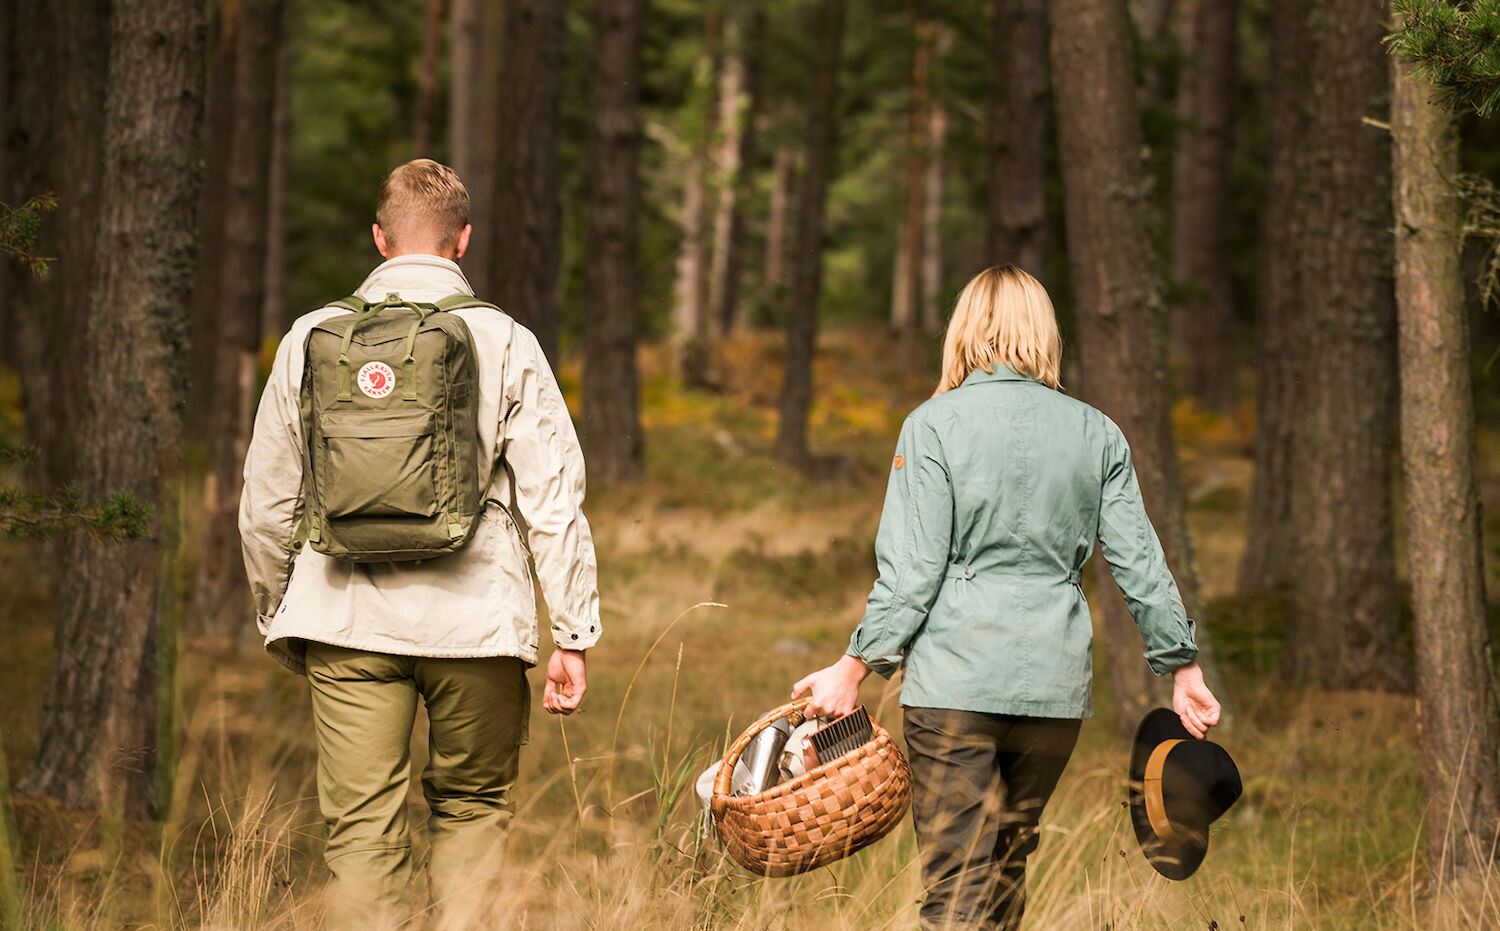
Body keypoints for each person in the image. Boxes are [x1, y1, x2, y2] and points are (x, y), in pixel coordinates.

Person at [792, 265, 1221, 931]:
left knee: (955, 888)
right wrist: (1181, 665)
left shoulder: (932, 426)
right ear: (1044, 334)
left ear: (965, 330)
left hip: (953, 689)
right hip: (1052, 693)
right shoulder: (1097, 432)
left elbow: (912, 571)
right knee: (1006, 870)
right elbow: (1139, 562)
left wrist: (854, 668)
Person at [239, 159, 600, 928]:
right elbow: (554, 499)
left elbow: (265, 503)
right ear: (462, 241)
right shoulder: (506, 339)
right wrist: (571, 631)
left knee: (362, 833)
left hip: (343, 617)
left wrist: (282, 611)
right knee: (471, 807)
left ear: (379, 238)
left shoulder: (309, 338)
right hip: (476, 625)